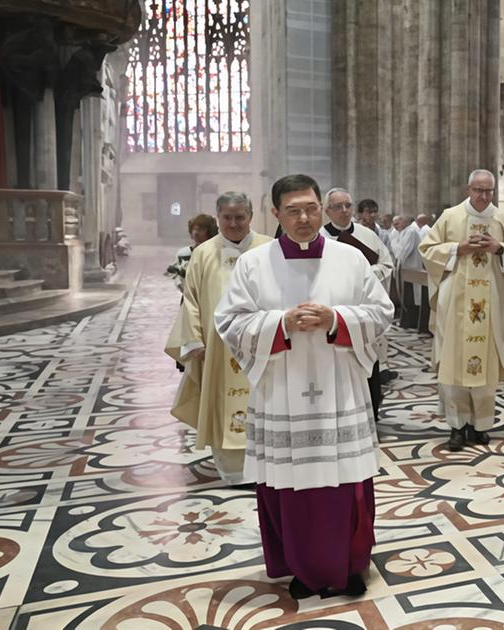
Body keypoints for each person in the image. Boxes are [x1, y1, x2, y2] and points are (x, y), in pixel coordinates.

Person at [215, 174, 393, 598]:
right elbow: (230, 322)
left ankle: (349, 566)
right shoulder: (254, 265)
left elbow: (381, 312)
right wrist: (281, 324)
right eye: (292, 210)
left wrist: (337, 320)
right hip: (283, 393)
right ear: (275, 214)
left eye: (311, 208)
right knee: (292, 488)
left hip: (340, 392)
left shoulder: (350, 260)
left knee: (344, 485)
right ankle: (303, 568)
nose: (304, 218)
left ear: (322, 209)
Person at [419, 170, 504, 451]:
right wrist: (457, 248)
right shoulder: (451, 216)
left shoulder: (503, 220)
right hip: (455, 302)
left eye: (488, 191)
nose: (483, 196)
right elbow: (427, 249)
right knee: (454, 364)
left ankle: (480, 425)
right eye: (478, 190)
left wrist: (499, 248)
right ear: (468, 188)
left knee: (486, 367)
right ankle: (457, 427)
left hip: (491, 302)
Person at [164, 193, 271, 485]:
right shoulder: (203, 253)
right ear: (218, 217)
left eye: (240, 217)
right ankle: (234, 471)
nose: (234, 223)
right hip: (218, 347)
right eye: (227, 217)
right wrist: (193, 339)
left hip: (262, 345)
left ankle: (265, 467)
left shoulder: (270, 248)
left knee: (265, 405)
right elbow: (191, 300)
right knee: (223, 405)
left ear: (251, 216)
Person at [322, 188, 398, 391]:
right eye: (338, 206)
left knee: (368, 362)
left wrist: (364, 275)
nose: (344, 210)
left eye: (348, 205)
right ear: (327, 211)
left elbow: (387, 264)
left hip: (365, 308)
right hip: (335, 310)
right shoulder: (319, 238)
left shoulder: (367, 235)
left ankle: (371, 409)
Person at [168, 214, 218, 292]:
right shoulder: (183, 254)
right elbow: (175, 274)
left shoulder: (217, 253)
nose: (196, 233)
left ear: (210, 232)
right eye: (195, 229)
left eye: (201, 230)